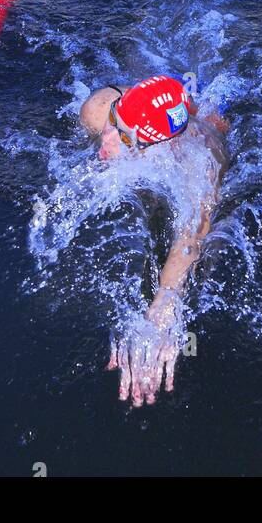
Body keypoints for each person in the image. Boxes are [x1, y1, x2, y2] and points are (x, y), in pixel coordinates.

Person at [79, 75, 229, 406]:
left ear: (164, 148)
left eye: (124, 139)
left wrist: (166, 300)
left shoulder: (200, 163)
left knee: (217, 121)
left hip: (201, 127)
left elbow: (191, 235)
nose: (107, 141)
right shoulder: (99, 110)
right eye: (114, 123)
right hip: (164, 105)